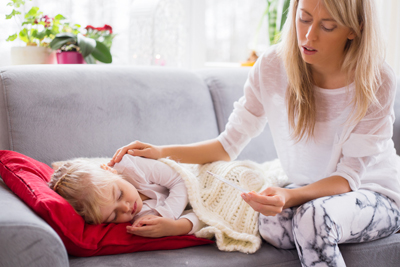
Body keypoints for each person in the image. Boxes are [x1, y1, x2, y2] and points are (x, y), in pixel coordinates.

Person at [108, 0, 400, 265]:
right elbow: (226, 146)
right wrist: (160, 152)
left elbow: (348, 178)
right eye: (304, 18)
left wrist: (289, 196)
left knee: (314, 219)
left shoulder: (377, 80)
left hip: (374, 192)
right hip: (308, 193)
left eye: (327, 26)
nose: (309, 36)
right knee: (266, 222)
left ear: (354, 30)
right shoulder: (273, 66)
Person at [49, 155, 204, 238]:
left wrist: (168, 216)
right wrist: (176, 227)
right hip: (204, 202)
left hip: (201, 174)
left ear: (109, 170)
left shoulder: (134, 166)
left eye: (119, 195)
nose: (126, 208)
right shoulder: (141, 218)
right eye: (114, 215)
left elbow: (182, 180)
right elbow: (204, 217)